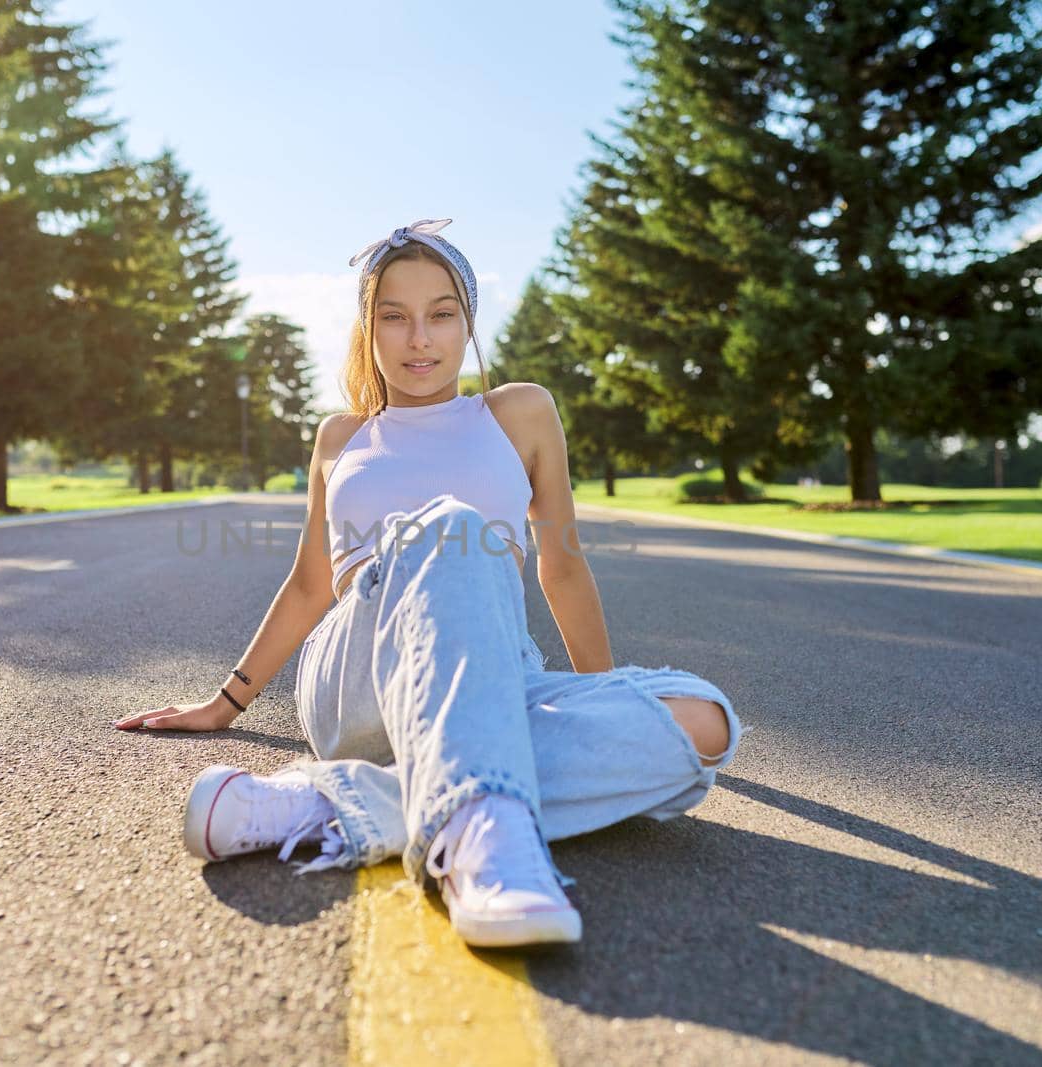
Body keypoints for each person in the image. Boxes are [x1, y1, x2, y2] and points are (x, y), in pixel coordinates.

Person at [113, 218, 752, 948]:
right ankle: (487, 846)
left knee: (704, 721)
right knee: (449, 526)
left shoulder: (520, 413)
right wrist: (223, 703)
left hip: (497, 680)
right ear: (368, 329)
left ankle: (329, 806)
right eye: (395, 317)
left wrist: (600, 693)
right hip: (357, 686)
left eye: (441, 314)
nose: (420, 338)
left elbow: (563, 567)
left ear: (469, 321)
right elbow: (307, 587)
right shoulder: (341, 437)